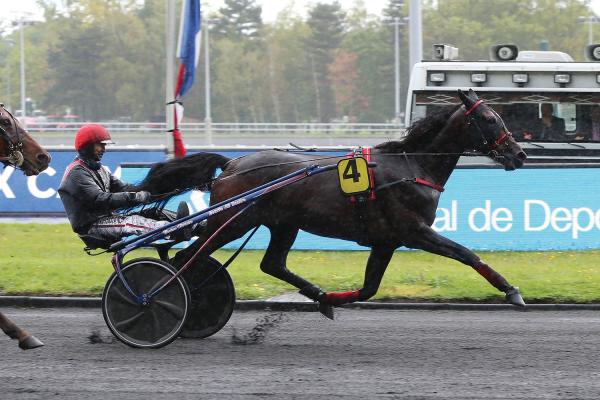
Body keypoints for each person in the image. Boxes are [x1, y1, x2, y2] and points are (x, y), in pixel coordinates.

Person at [58, 124, 190, 246]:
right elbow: (100, 199)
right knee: (132, 222)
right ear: (87, 146)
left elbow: (124, 188)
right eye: (100, 145)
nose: (104, 149)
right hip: (91, 227)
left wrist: (156, 190)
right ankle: (173, 231)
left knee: (154, 212)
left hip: (105, 219)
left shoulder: (100, 169)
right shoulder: (77, 173)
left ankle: (196, 226)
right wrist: (136, 197)